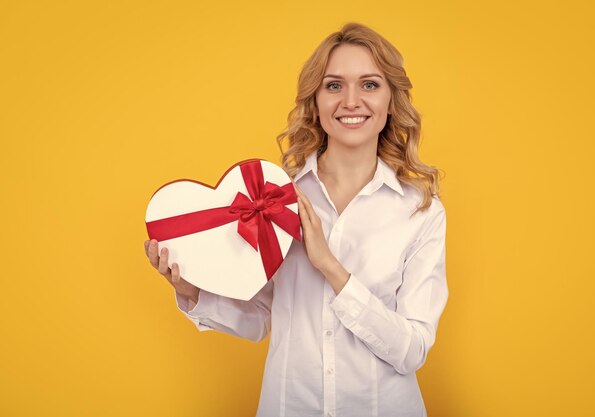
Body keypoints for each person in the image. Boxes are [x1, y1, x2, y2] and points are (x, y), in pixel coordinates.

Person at [144, 22, 448, 417]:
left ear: (391, 101)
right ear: (315, 101)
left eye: (370, 84)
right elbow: (262, 317)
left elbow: (412, 350)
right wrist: (190, 290)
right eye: (334, 85)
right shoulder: (273, 197)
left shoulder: (420, 211)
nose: (351, 101)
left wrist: (330, 266)